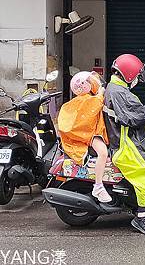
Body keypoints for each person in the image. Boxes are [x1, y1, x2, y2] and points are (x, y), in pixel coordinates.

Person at [103, 54, 145, 235]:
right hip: (125, 145)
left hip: (125, 139)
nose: (137, 80)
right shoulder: (120, 93)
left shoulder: (115, 88)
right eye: (136, 76)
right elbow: (135, 117)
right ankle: (141, 217)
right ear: (128, 75)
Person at [57, 71, 111, 203]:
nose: (93, 83)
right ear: (82, 85)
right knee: (103, 153)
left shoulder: (85, 98)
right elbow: (94, 105)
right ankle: (98, 186)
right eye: (89, 81)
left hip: (91, 133)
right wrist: (101, 93)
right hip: (89, 135)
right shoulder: (85, 100)